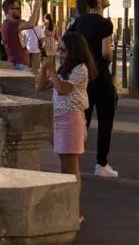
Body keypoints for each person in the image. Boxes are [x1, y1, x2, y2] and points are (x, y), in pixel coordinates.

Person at [37, 31, 96, 221]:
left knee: (71, 168)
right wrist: (44, 68)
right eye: (59, 48)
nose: (60, 52)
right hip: (60, 119)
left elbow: (62, 90)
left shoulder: (81, 69)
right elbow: (40, 87)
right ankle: (68, 207)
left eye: (63, 48)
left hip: (71, 119)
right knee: (64, 167)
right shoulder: (65, 68)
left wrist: (52, 70)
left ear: (73, 49)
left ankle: (75, 210)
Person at [68, 0, 119, 178]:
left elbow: (67, 42)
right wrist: (109, 57)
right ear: (98, 0)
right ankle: (101, 164)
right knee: (106, 120)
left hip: (83, 77)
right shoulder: (105, 23)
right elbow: (106, 52)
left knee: (83, 120)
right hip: (101, 76)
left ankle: (74, 162)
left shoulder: (78, 22)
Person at [0, 0, 36, 70]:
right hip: (18, 65)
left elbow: (34, 23)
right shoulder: (10, 23)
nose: (20, 10)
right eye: (17, 8)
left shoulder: (10, 23)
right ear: (10, 10)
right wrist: (36, 6)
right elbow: (31, 24)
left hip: (20, 64)